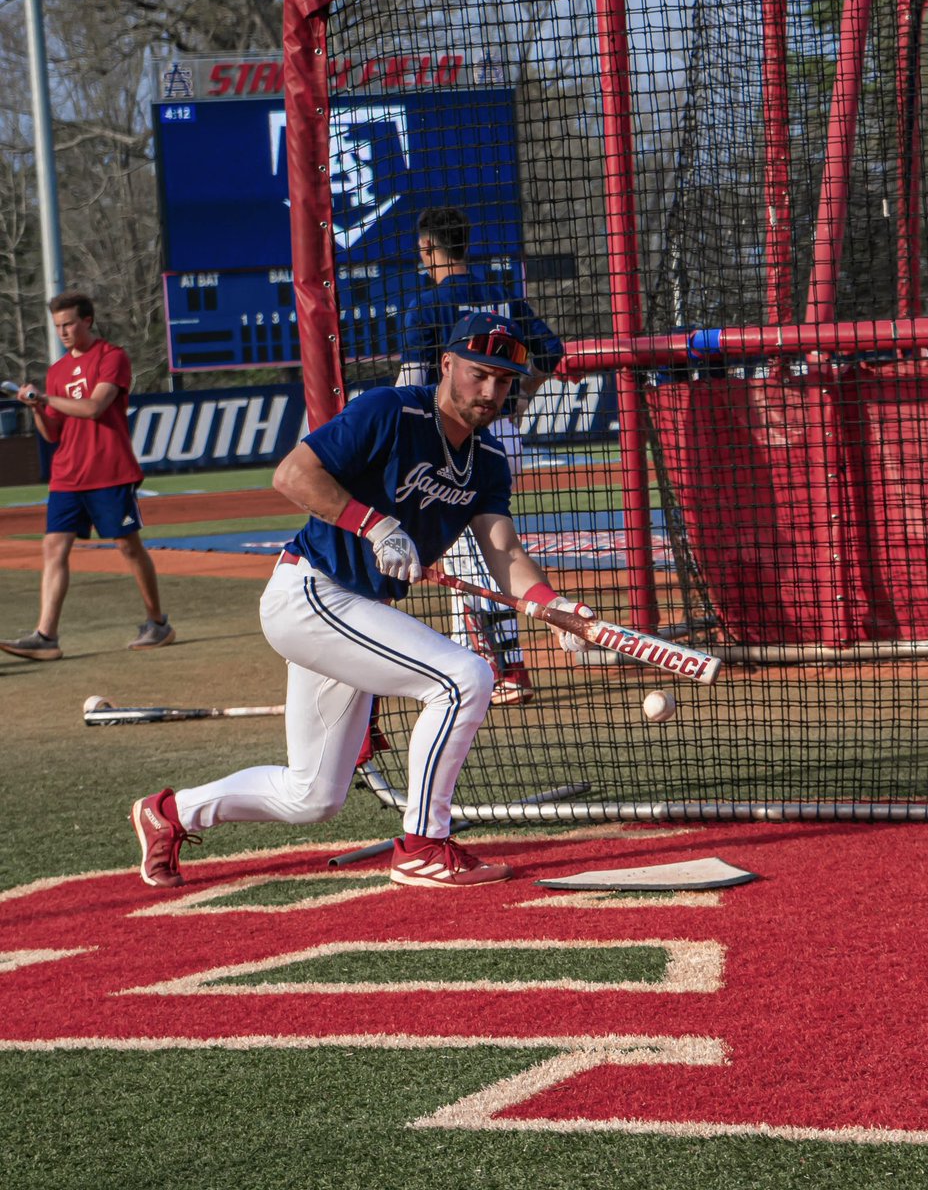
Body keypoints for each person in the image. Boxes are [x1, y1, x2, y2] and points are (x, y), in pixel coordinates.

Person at [130, 313, 593, 891]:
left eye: (503, 381)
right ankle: (423, 846)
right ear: (447, 364)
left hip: (357, 611)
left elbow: (503, 549)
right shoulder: (391, 410)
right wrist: (375, 525)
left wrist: (554, 606)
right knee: (464, 678)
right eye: (479, 374)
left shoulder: (490, 459)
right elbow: (292, 474)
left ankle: (170, 814)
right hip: (311, 593)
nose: (490, 391)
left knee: (312, 795)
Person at [396, 206, 564, 706]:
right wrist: (518, 396)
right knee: (483, 547)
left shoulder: (426, 305)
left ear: (427, 248)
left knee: (467, 556)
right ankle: (479, 666)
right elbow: (553, 355)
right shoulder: (504, 297)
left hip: (450, 438)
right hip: (503, 435)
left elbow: (411, 384)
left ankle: (507, 667)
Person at [0, 292, 174, 661]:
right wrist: (36, 408)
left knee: (128, 546)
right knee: (53, 547)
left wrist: (45, 399)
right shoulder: (57, 371)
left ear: (87, 321)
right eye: (58, 326)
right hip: (67, 474)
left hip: (109, 470)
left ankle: (157, 622)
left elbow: (95, 407)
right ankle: (46, 636)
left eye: (69, 324)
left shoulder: (112, 357)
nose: (63, 331)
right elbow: (52, 434)